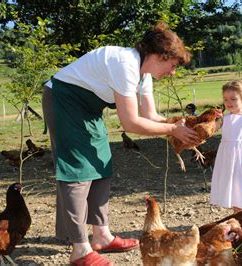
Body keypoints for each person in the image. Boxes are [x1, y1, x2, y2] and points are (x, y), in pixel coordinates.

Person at [41, 22, 199, 265]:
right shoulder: (125, 64)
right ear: (159, 56)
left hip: (87, 109)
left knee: (101, 161)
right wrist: (172, 130)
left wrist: (182, 125)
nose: (173, 72)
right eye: (173, 65)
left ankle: (102, 236)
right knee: (77, 170)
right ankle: (80, 250)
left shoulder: (143, 74)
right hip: (63, 100)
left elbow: (151, 117)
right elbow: (131, 123)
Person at [210, 80, 242, 214]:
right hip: (227, 157)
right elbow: (211, 129)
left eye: (233, 99)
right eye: (226, 99)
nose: (229, 102)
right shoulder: (224, 118)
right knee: (232, 184)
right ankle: (237, 213)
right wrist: (211, 119)